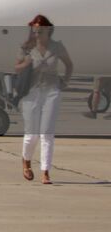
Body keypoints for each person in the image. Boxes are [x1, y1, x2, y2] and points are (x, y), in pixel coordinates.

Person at [15, 14, 74, 184]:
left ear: (48, 31)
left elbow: (69, 64)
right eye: (34, 31)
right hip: (31, 93)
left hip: (51, 92)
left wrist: (65, 81)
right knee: (32, 135)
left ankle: (45, 171)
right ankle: (26, 161)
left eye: (40, 31)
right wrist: (26, 64)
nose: (37, 34)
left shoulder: (57, 47)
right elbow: (17, 68)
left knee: (47, 133)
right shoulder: (26, 48)